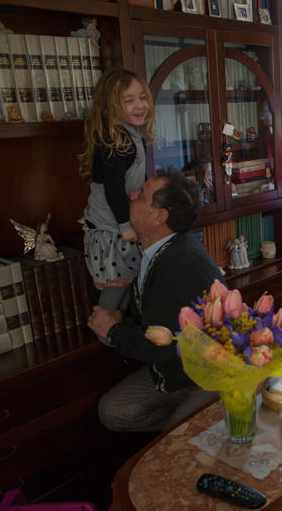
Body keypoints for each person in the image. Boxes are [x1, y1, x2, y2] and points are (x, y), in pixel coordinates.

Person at [89, 169, 224, 432]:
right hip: (176, 370)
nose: (131, 195)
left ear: (159, 217)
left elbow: (160, 346)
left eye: (141, 195)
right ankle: (195, 423)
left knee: (177, 441)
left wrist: (113, 331)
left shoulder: (177, 264)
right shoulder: (164, 250)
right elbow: (155, 317)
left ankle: (198, 422)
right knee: (113, 410)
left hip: (206, 380)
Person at [78, 68, 153, 313]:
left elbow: (136, 178)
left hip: (119, 226)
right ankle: (105, 326)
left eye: (142, 97)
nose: (140, 105)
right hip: (111, 229)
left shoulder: (131, 135)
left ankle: (116, 326)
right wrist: (125, 226)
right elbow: (113, 189)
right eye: (129, 100)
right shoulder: (116, 141)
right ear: (110, 106)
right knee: (115, 287)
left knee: (127, 286)